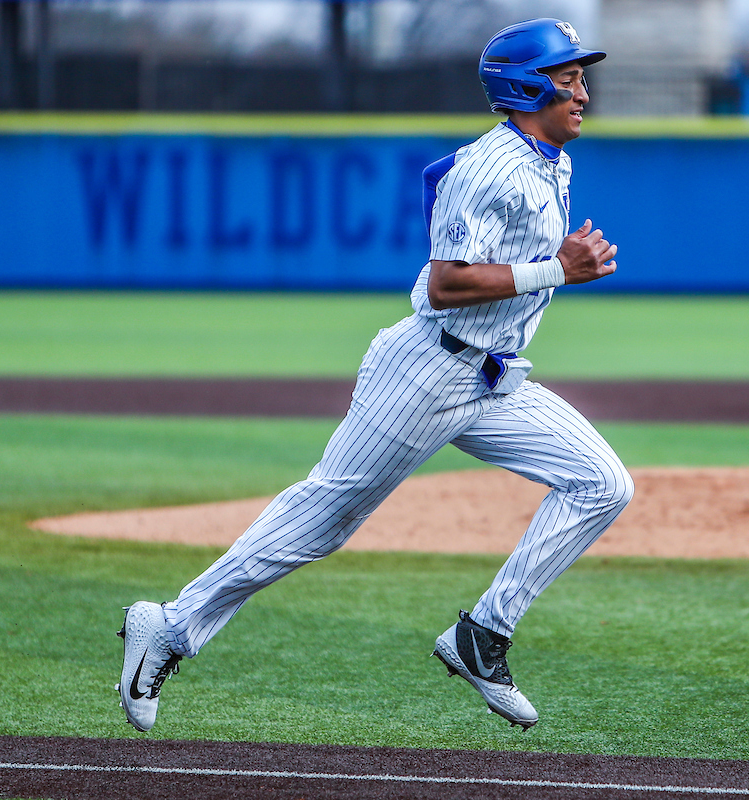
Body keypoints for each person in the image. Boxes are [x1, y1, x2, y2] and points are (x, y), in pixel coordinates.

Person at [116, 18, 633, 734]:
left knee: (602, 483)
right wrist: (557, 268)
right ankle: (169, 627)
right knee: (320, 522)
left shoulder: (548, 161)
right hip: (427, 372)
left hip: (491, 378)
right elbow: (447, 284)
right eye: (567, 77)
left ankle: (483, 635)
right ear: (525, 87)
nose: (582, 91)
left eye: (581, 77)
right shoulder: (492, 167)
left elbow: (450, 202)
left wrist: (553, 263)